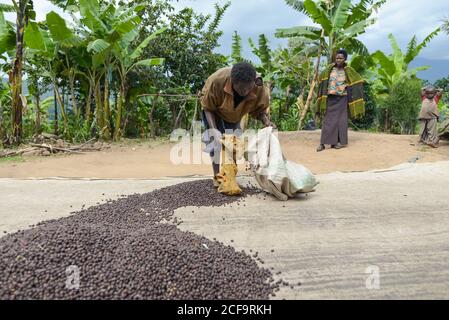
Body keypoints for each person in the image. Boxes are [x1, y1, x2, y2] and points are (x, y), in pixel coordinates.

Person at [200, 62, 276, 186]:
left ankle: (229, 177)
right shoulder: (217, 81)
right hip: (214, 110)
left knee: (233, 145)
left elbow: (260, 110)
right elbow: (208, 107)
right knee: (215, 144)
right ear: (232, 82)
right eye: (241, 89)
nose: (245, 92)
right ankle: (217, 177)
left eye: (248, 88)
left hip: (235, 114)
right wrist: (214, 129)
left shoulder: (258, 85)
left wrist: (266, 122)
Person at [315, 49, 365, 152]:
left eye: (341, 58)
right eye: (337, 58)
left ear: (345, 59)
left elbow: (358, 81)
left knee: (341, 121)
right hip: (330, 98)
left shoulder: (348, 71)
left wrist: (348, 86)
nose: (338, 60)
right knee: (328, 121)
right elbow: (321, 79)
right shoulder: (329, 69)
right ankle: (322, 143)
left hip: (343, 98)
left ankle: (339, 142)